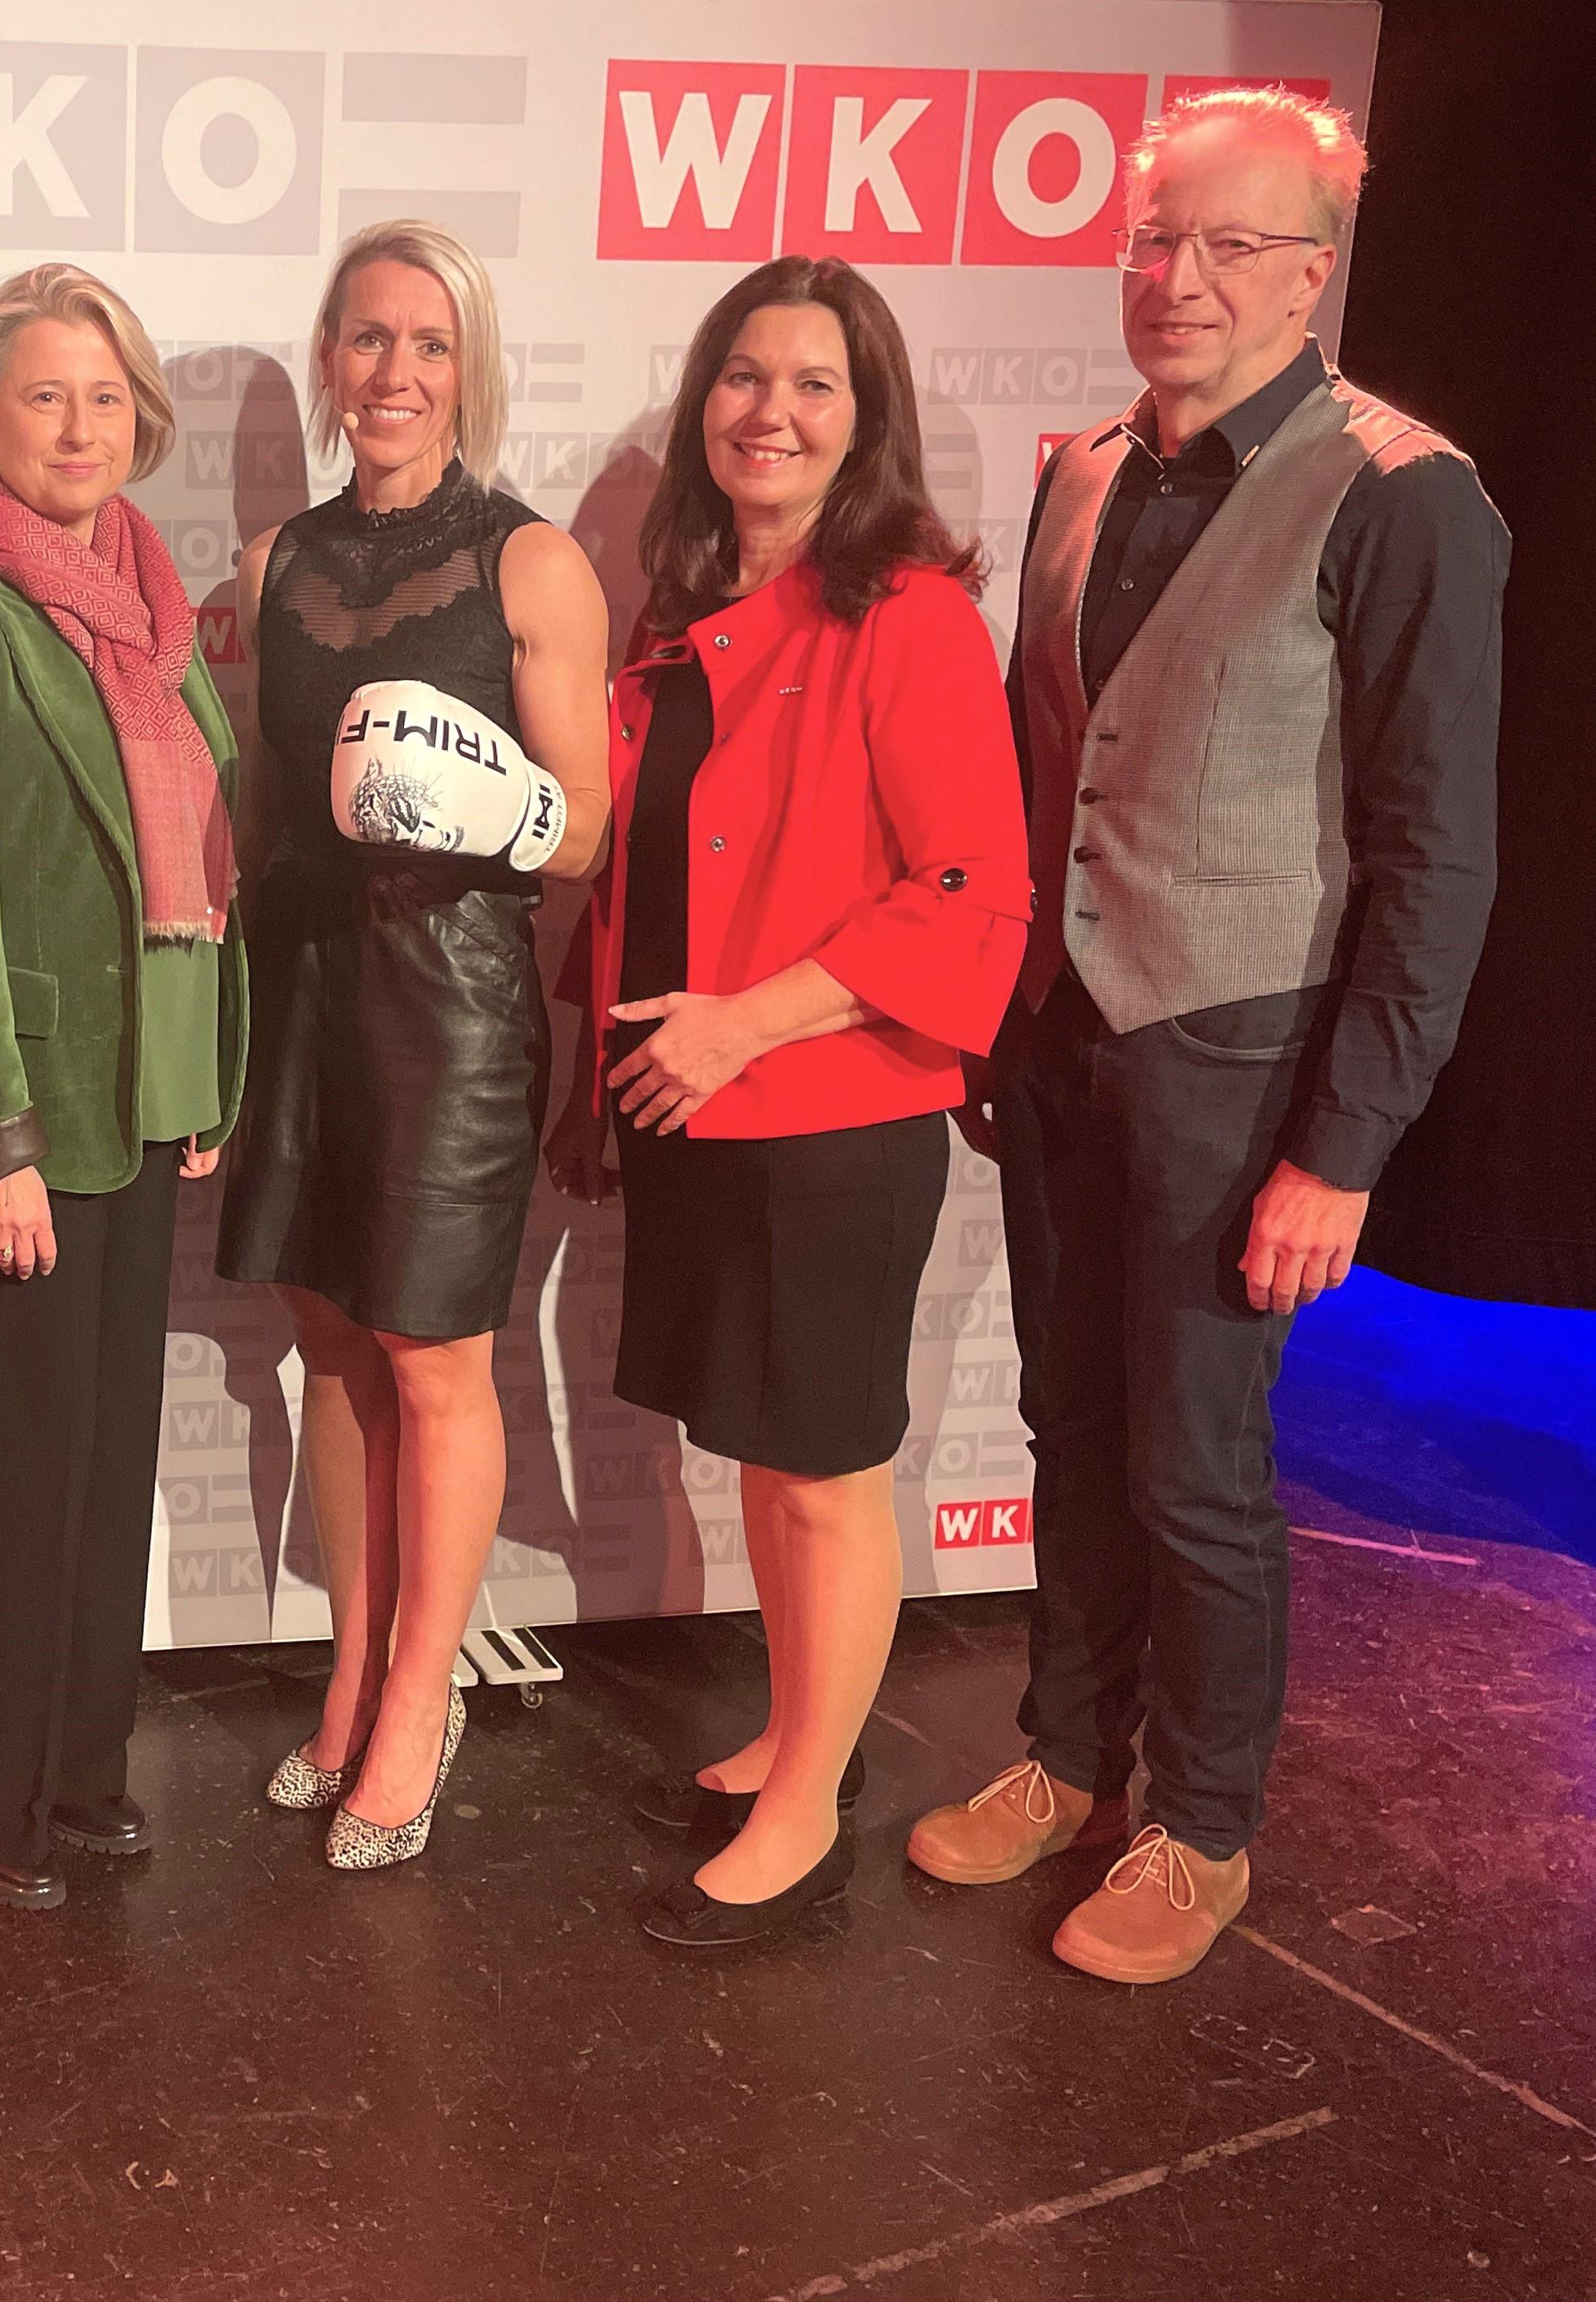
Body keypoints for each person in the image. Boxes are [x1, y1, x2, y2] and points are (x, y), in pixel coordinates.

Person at [902, 89, 1508, 1983]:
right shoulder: (1085, 469)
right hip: (1058, 1039)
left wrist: (1347, 1143)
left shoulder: (1403, 493)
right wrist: (998, 1023)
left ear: (1312, 273)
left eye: (1233, 244)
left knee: (1192, 1461)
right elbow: (1048, 767)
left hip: (1237, 1056)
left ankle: (1202, 1828)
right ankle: (1068, 1758)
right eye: (1156, 238)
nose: (1180, 277)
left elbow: (1435, 854)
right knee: (1068, 1422)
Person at [545, 257, 1032, 1946]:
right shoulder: (683, 612)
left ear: (865, 416)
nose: (771, 411)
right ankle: (795, 1732)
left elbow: (968, 891)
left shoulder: (908, 613)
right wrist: (613, 1070)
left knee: (824, 1472)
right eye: (745, 377)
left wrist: (742, 1026)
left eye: (815, 383)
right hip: (699, 1102)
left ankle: (813, 1802)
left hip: (828, 1110)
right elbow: (646, 873)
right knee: (766, 1453)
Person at [215, 220, 612, 1869]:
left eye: (428, 343)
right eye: (368, 338)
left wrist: (487, 802)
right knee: (331, 1347)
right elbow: (260, 809)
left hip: (451, 1000)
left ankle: (421, 1701)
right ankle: (354, 1676)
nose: (394, 372)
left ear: (469, 368)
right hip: (305, 986)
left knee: (436, 1357)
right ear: (330, 358)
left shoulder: (533, 562)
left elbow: (587, 831)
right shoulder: (270, 566)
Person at [0, 263, 243, 1911]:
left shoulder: (158, 614)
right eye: (43, 398)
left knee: (99, 1468)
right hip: (11, 1126)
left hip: (139, 1108)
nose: (79, 427)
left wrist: (202, 1071)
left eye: (104, 398)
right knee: (10, 1482)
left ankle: (78, 1768)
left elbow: (197, 865)